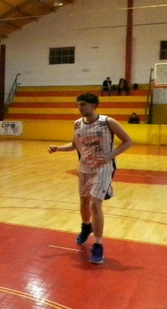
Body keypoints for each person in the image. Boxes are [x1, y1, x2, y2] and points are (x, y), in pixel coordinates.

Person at [48, 93, 133, 264]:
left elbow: (128, 141)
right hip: (84, 168)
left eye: (83, 104)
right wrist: (57, 148)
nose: (80, 107)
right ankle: (86, 226)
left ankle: (98, 245)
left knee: (95, 204)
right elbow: (74, 145)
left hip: (103, 169)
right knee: (84, 202)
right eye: (79, 104)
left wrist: (110, 156)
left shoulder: (108, 122)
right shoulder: (77, 124)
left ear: (94, 105)